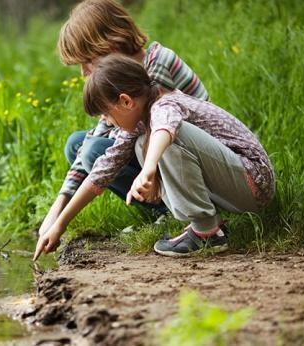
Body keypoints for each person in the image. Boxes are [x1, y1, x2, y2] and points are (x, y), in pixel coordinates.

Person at [34, 54, 274, 260]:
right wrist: (60, 224)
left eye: (106, 114)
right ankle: (211, 227)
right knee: (141, 144)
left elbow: (165, 130)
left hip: (253, 181)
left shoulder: (165, 104)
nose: (106, 122)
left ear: (126, 101)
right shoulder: (139, 123)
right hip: (233, 185)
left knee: (166, 140)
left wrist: (148, 170)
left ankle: (207, 232)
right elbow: (101, 172)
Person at [38, 0, 210, 240]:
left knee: (94, 152)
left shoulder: (154, 67)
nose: (84, 72)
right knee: (77, 145)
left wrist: (63, 222)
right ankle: (164, 210)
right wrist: (56, 209)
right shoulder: (119, 78)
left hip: (192, 159)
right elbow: (98, 135)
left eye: (86, 61)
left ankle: (180, 210)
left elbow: (121, 147)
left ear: (110, 45)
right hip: (154, 151)